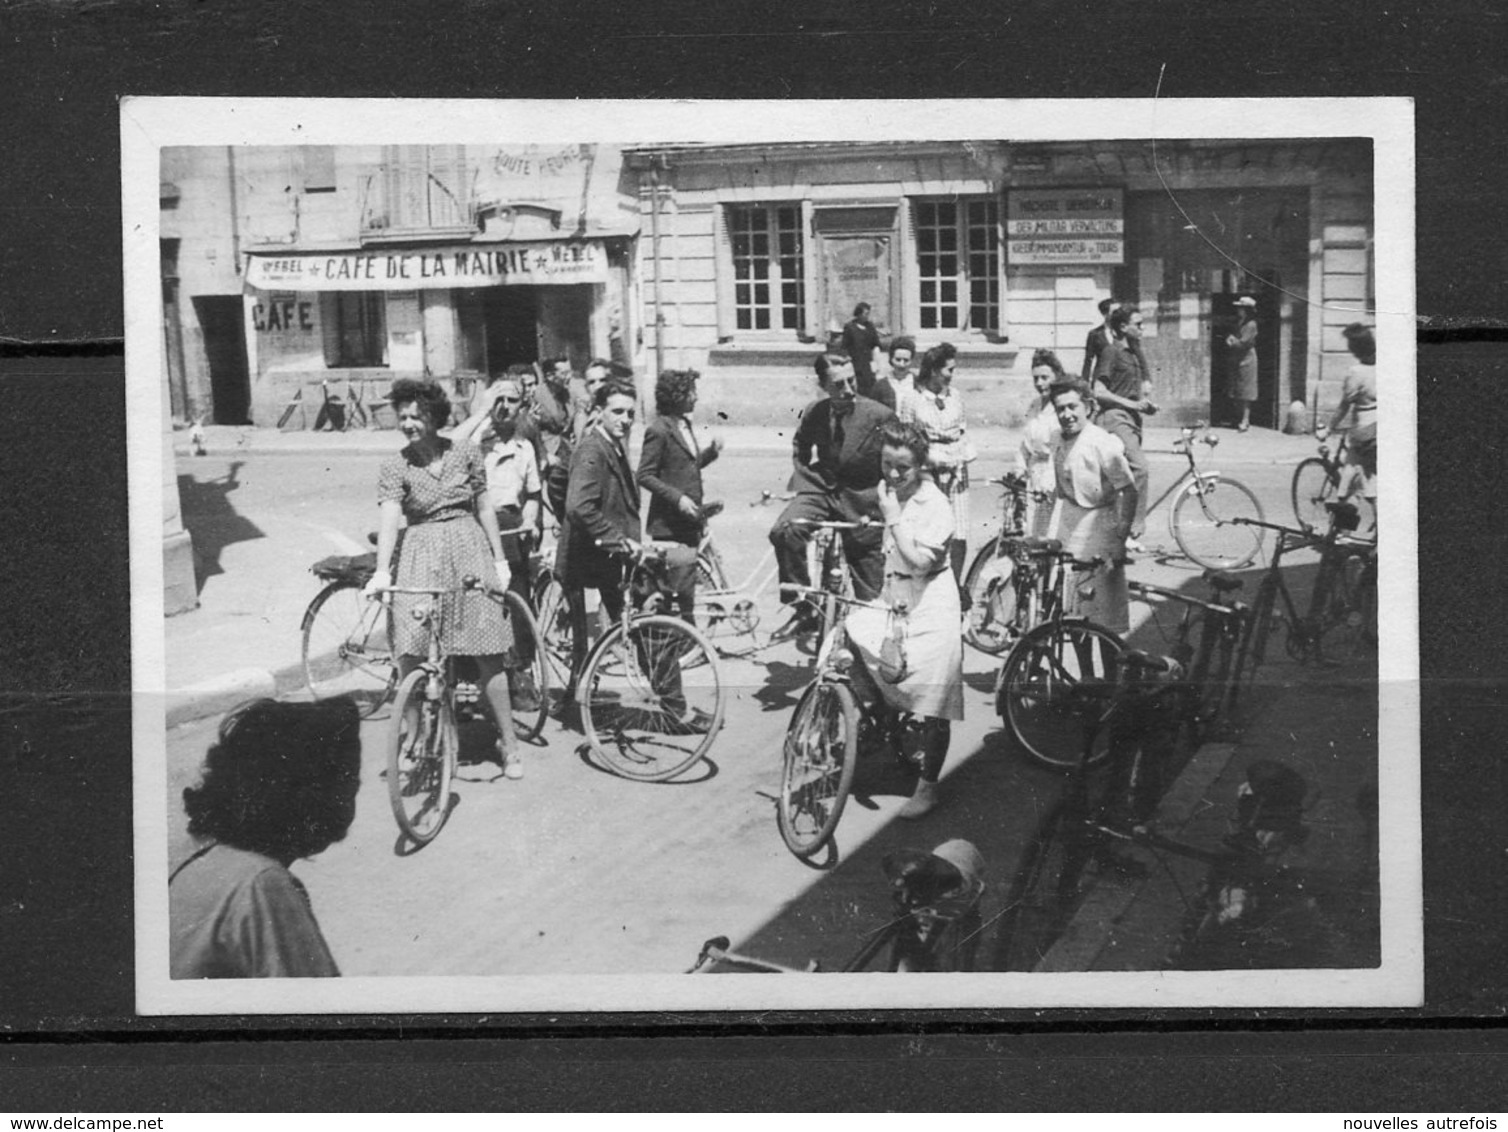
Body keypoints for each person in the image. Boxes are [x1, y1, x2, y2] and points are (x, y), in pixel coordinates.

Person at [363, 378, 522, 779]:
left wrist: (499, 560)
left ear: (434, 417)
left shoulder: (466, 452)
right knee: (411, 652)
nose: (409, 423)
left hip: (469, 552)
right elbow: (388, 520)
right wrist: (383, 572)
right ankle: (415, 739)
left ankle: (509, 741)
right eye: (403, 417)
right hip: (419, 555)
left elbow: (484, 508)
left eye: (417, 416)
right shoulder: (394, 466)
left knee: (487, 651)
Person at [170, 697, 361, 979]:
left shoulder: (189, 851)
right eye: (346, 783)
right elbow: (317, 1010)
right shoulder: (262, 885)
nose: (353, 791)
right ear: (306, 798)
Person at [556, 378, 698, 725]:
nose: (624, 419)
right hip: (601, 559)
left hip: (611, 558)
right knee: (651, 627)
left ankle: (672, 708)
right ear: (598, 412)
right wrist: (622, 542)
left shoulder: (612, 445)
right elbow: (579, 507)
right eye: (616, 411)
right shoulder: (593, 449)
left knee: (646, 628)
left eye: (630, 413)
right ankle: (675, 711)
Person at [843, 420, 964, 819]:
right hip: (894, 596)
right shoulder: (890, 492)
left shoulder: (936, 505)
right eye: (887, 464)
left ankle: (928, 788)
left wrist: (892, 518)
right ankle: (873, 723)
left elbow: (918, 563)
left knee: (932, 699)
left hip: (931, 602)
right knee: (850, 637)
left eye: (903, 468)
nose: (893, 474)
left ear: (920, 466)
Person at [769, 353, 895, 634]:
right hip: (822, 491)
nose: (848, 390)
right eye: (839, 385)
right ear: (824, 386)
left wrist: (887, 498)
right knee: (786, 530)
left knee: (869, 595)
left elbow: (898, 461)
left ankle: (870, 642)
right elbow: (800, 447)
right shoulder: (815, 411)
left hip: (862, 501)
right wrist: (808, 482)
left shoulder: (879, 416)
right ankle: (804, 606)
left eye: (852, 381)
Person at [1048, 376, 1137, 634]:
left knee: (1102, 616)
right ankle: (1085, 674)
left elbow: (1129, 491)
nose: (1066, 414)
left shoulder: (1102, 442)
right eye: (1060, 408)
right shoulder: (1056, 438)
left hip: (1100, 530)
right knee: (1073, 611)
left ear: (1087, 406)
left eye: (1072, 407)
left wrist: (1120, 539)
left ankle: (1108, 673)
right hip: (1068, 526)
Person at [637, 368, 723, 626]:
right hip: (670, 522)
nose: (696, 398)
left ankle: (688, 634)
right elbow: (645, 475)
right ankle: (680, 635)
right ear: (677, 396)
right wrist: (677, 499)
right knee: (676, 586)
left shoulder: (683, 424)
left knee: (687, 583)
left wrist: (711, 453)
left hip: (690, 518)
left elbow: (687, 465)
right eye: (691, 392)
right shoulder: (659, 430)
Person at [452, 376, 543, 602]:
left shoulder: (524, 446)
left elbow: (533, 495)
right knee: (476, 599)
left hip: (509, 525)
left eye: (511, 400)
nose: (504, 405)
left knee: (517, 598)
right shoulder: (475, 438)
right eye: (497, 399)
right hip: (474, 524)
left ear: (521, 406)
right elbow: (447, 447)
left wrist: (529, 520)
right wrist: (483, 411)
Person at [899, 342, 975, 584]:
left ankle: (956, 583)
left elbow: (963, 430)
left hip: (957, 470)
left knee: (960, 531)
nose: (952, 375)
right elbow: (906, 438)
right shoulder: (913, 399)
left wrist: (964, 453)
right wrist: (928, 457)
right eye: (948, 370)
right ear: (933, 370)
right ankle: (930, 580)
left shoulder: (956, 397)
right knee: (931, 529)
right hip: (928, 470)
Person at [1093, 306, 1156, 548]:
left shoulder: (1133, 353)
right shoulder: (1112, 351)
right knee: (1140, 467)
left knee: (1120, 477)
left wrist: (1144, 406)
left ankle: (1116, 532)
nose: (1142, 328)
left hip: (1131, 420)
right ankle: (1133, 525)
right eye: (1138, 324)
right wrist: (1133, 404)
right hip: (1114, 418)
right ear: (1123, 327)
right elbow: (1099, 391)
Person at [1327, 322, 1377, 527]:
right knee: (1367, 477)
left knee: (1349, 484)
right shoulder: (1384, 365)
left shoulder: (1356, 372)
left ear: (1355, 348)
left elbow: (1344, 406)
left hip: (1364, 432)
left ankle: (1342, 536)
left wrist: (1330, 427)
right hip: (1382, 429)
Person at [1016, 348, 1065, 538]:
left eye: (1045, 377)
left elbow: (1060, 448)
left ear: (1057, 375)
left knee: (1050, 532)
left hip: (1053, 476)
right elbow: (1025, 443)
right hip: (1034, 474)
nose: (1039, 383)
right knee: (1032, 530)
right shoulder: (1034, 405)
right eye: (1036, 378)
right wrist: (1019, 468)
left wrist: (1049, 481)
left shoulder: (1062, 407)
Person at [1226, 295, 1259, 432]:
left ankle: (1245, 420)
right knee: (1237, 389)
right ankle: (1239, 418)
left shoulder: (1251, 324)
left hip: (1247, 359)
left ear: (1247, 310)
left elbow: (1243, 343)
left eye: (1241, 308)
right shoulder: (1241, 323)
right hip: (1238, 358)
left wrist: (1232, 341)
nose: (1238, 310)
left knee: (1246, 391)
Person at [841, 302, 882, 397]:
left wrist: (876, 363)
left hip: (868, 363)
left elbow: (875, 344)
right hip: (855, 363)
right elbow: (844, 346)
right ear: (858, 314)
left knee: (871, 385)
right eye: (865, 314)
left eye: (868, 314)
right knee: (857, 387)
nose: (867, 316)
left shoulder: (870, 326)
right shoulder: (850, 327)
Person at [868, 336, 916, 413]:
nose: (901, 364)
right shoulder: (880, 386)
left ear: (911, 361)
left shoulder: (919, 383)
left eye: (906, 360)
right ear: (891, 359)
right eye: (898, 359)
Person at [1081, 298, 1118, 384]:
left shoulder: (1123, 332)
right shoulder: (1095, 334)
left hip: (1120, 379)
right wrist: (1085, 384)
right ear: (1105, 314)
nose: (1119, 315)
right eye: (1115, 312)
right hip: (1101, 378)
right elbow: (1088, 361)